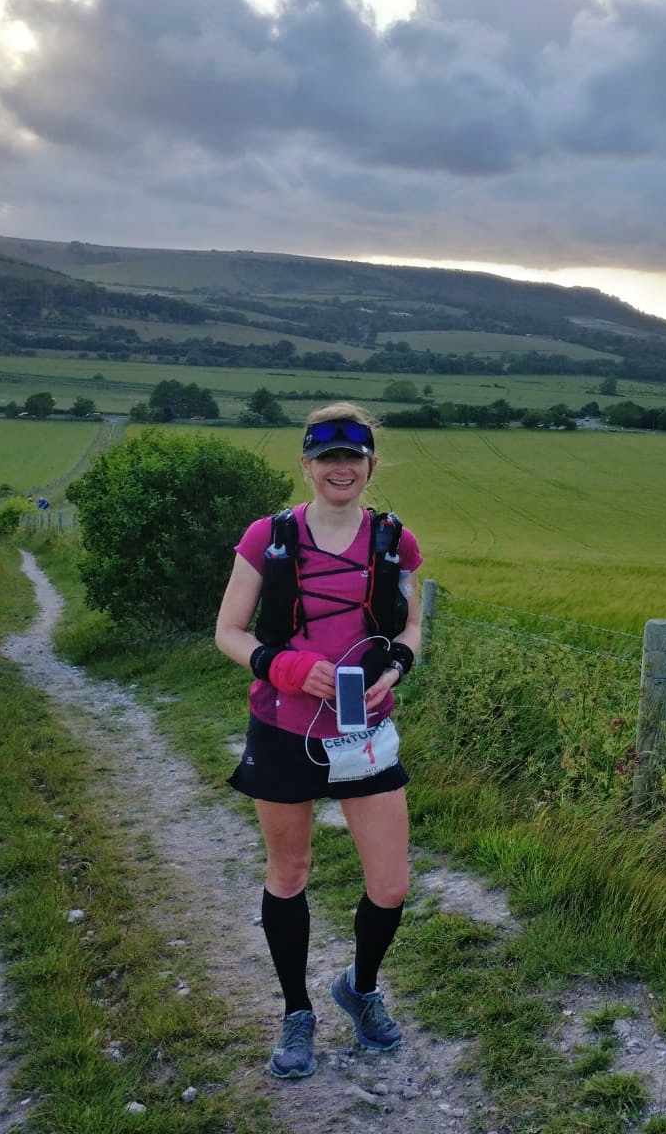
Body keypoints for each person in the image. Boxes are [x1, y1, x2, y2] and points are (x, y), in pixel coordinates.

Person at [214, 403, 423, 1079]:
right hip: (283, 728)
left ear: (370, 465)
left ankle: (360, 989)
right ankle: (296, 1013)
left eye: (352, 458)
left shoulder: (395, 541)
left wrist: (396, 668)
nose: (341, 469)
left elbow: (411, 627)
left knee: (390, 885)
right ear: (306, 465)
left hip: (366, 732)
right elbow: (228, 632)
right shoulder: (267, 537)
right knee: (290, 873)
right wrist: (287, 668)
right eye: (327, 458)